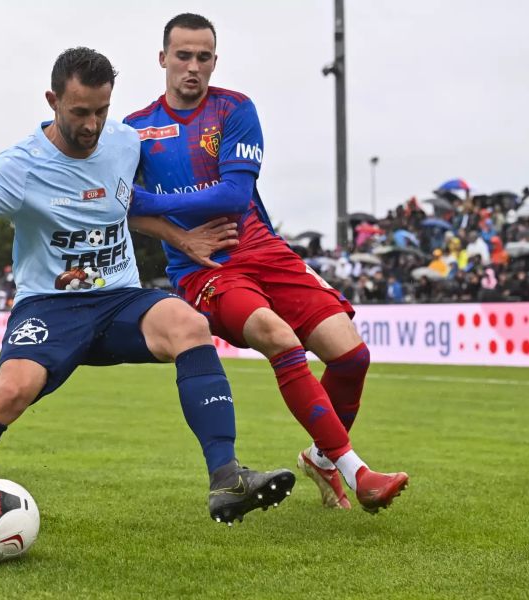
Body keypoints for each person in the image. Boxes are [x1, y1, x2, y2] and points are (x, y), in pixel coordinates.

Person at [0, 48, 295, 562]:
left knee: (187, 323)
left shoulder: (125, 143)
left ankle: (227, 477)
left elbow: (124, 207)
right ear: (53, 100)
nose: (91, 125)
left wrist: (181, 238)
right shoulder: (16, 166)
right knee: (10, 391)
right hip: (50, 307)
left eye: (101, 111)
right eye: (80, 112)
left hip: (119, 298)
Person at [124, 14, 408, 513]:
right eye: (183, 56)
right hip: (205, 270)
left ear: (215, 60)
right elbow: (115, 205)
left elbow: (234, 195)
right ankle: (357, 472)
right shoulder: (134, 131)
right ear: (162, 58)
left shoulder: (235, 109)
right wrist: (181, 238)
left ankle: (321, 459)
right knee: (279, 337)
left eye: (203, 57)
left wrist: (145, 200)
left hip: (263, 249)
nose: (193, 67)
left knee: (352, 356)